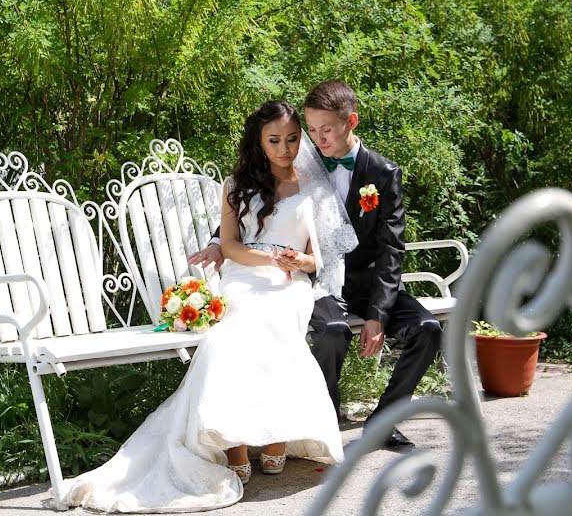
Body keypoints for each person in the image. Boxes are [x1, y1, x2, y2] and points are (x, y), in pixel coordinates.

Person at [58, 100, 354, 513]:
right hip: (244, 276)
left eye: (291, 139)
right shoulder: (236, 184)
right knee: (227, 338)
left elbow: (317, 257)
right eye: (274, 140)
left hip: (289, 286)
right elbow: (230, 246)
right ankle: (230, 441)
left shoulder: (311, 184)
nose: (284, 148)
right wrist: (268, 258)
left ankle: (275, 438)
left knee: (276, 327)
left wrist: (298, 263)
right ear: (258, 141)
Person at [189, 81, 441, 448]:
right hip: (321, 279)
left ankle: (385, 420)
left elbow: (391, 248)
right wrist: (217, 242)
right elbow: (259, 202)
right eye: (312, 130)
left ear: (350, 121)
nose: (317, 139)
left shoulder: (383, 173)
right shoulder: (301, 161)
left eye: (326, 130)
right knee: (331, 332)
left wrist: (378, 314)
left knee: (428, 328)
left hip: (370, 281)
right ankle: (327, 423)